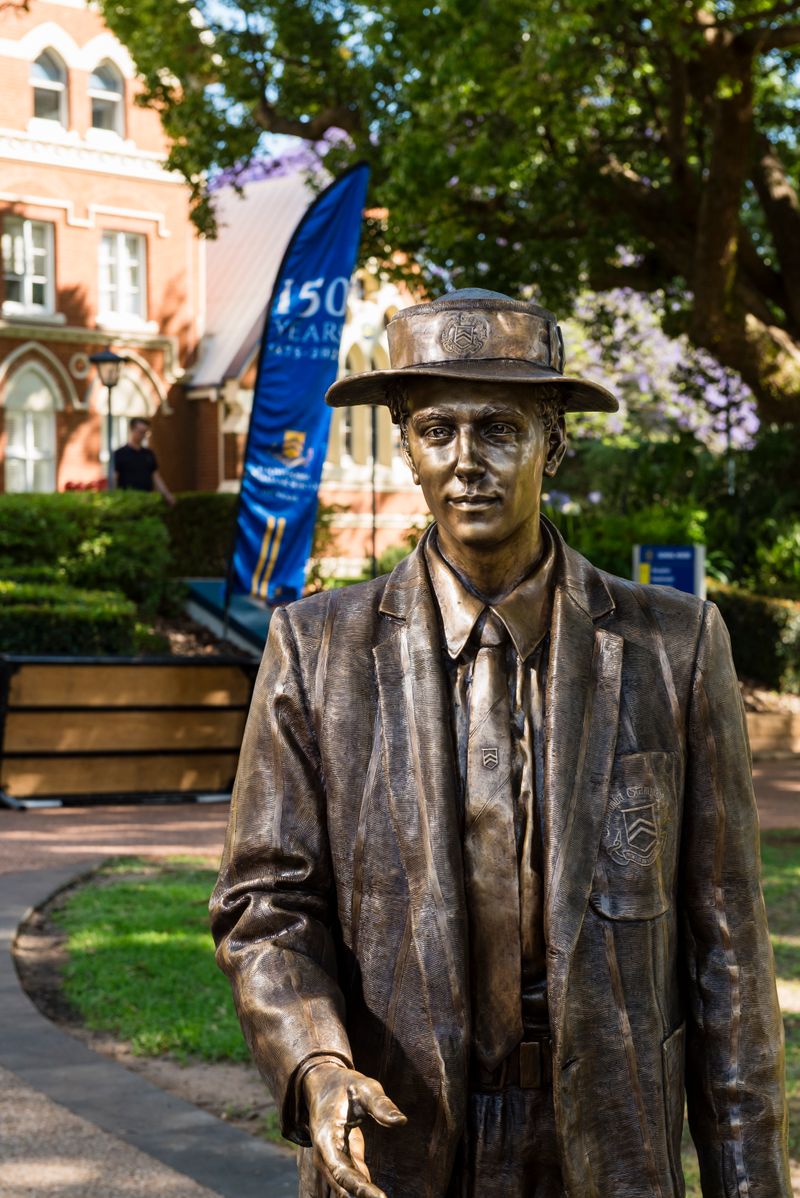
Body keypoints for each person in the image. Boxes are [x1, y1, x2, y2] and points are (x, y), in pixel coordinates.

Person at [210, 290, 789, 1198]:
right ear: (405, 445)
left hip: (608, 1135)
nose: (466, 462)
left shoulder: (671, 648)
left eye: (500, 429)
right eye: (437, 429)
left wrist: (750, 1181)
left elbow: (728, 951)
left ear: (554, 442)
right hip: (400, 1136)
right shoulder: (316, 648)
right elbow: (266, 906)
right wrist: (314, 1061)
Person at [113, 417, 175, 504]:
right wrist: (114, 498)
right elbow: (114, 478)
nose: (143, 436)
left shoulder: (149, 454)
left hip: (147, 499)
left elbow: (155, 476)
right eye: (141, 432)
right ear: (132, 430)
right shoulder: (119, 454)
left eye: (145, 433)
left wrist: (167, 494)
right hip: (127, 501)